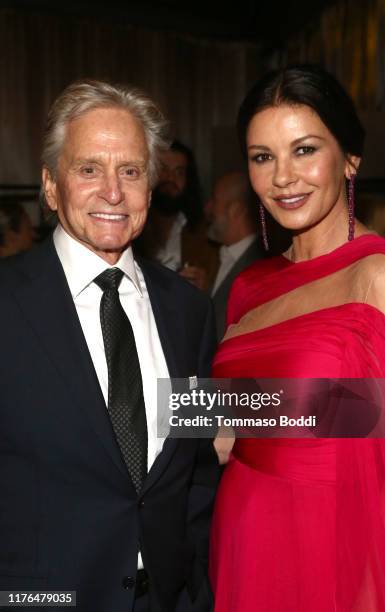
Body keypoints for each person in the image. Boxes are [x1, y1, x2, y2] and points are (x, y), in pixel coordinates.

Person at [0, 79, 220, 612]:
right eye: (89, 169)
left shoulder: (188, 310)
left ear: (152, 186)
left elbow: (198, 467)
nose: (114, 192)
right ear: (51, 187)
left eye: (131, 171)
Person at [209, 65, 385, 611]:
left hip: (331, 549)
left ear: (350, 159)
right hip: (242, 534)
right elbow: (224, 427)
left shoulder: (382, 277)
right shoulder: (248, 286)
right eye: (262, 157)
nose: (282, 178)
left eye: (304, 150)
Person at [136, 141, 219, 291]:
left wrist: (205, 287)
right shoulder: (132, 230)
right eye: (164, 170)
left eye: (179, 172)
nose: (170, 179)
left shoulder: (205, 234)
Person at [206, 171, 264, 341]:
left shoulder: (260, 267)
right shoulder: (212, 255)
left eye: (214, 200)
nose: (207, 207)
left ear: (235, 210)